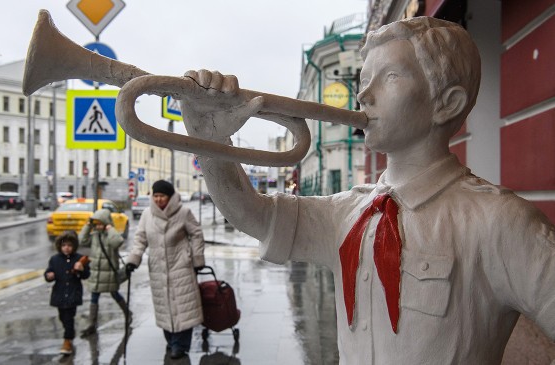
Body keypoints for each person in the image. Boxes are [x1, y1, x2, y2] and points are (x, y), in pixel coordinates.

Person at [177, 17, 555, 364]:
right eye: (363, 80)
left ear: (447, 103)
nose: (363, 96)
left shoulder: (502, 223)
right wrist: (209, 141)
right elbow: (253, 214)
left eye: (389, 77)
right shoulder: (348, 212)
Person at [125, 179, 205, 359]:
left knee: (183, 306)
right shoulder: (147, 214)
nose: (159, 199)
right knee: (164, 307)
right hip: (158, 268)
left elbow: (196, 234)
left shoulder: (183, 213)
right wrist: (133, 260)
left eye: (162, 196)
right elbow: (140, 239)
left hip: (181, 266)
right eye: (156, 196)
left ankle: (181, 345)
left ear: (170, 197)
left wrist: (196, 259)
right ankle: (171, 341)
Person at [78, 208, 130, 337]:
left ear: (106, 223)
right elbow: (82, 241)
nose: (98, 226)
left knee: (115, 294)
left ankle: (128, 314)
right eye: (96, 223)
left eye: (101, 223)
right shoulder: (95, 236)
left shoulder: (111, 234)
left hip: (109, 271)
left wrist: (109, 228)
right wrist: (88, 225)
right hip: (96, 272)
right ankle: (91, 324)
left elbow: (117, 242)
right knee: (94, 297)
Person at [44, 231, 90, 355]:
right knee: (62, 317)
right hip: (59, 292)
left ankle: (67, 341)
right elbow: (49, 273)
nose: (66, 248)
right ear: (60, 246)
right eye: (64, 245)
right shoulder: (54, 259)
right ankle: (69, 333)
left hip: (73, 292)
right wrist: (49, 276)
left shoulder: (79, 258)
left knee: (69, 317)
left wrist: (81, 270)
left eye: (69, 245)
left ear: (74, 246)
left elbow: (86, 275)